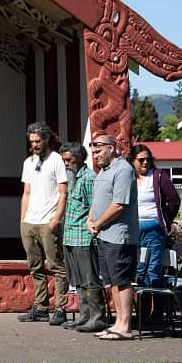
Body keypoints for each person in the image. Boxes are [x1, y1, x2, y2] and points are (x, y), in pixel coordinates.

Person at [87, 134, 139, 340]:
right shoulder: (103, 172)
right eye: (93, 152)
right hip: (104, 235)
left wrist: (98, 223)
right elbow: (97, 200)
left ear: (111, 148)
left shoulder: (123, 170)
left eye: (99, 151)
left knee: (123, 280)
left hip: (120, 236)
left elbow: (119, 204)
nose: (96, 155)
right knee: (113, 282)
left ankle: (125, 325)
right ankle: (117, 323)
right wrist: (90, 220)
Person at [17, 121, 69, 325]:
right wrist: (22, 220)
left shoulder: (56, 160)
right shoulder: (28, 162)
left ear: (47, 139)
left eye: (38, 141)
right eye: (32, 141)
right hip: (30, 221)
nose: (35, 145)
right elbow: (26, 192)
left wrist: (56, 218)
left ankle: (61, 307)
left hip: (48, 220)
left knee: (56, 265)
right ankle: (40, 307)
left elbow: (63, 192)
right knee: (35, 266)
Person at [59, 142, 106, 332]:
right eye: (63, 160)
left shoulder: (88, 178)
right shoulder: (71, 178)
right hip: (70, 235)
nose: (66, 164)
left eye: (69, 160)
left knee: (89, 279)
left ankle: (97, 318)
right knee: (77, 279)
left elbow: (95, 207)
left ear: (79, 159)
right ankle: (84, 315)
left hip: (84, 237)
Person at [128, 144, 181, 288]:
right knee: (139, 269)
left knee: (153, 268)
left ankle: (156, 308)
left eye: (148, 159)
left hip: (154, 230)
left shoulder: (158, 176)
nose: (145, 162)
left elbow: (174, 200)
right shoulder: (128, 178)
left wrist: (163, 220)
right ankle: (143, 307)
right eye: (141, 160)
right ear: (133, 161)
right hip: (134, 231)